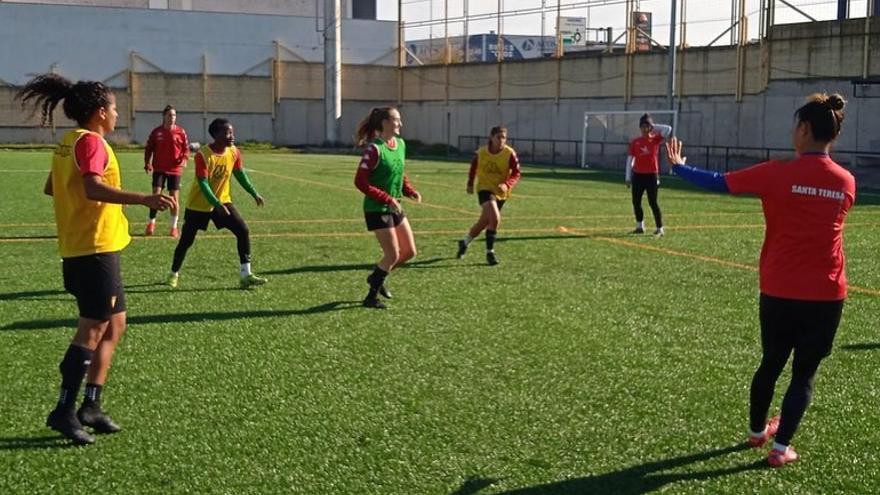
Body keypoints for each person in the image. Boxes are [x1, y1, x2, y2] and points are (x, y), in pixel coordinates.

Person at [665, 93, 855, 468]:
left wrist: (679, 167)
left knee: (771, 363)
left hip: (779, 289)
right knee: (804, 374)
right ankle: (781, 447)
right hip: (826, 293)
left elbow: (720, 182)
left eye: (794, 126)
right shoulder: (846, 182)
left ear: (803, 129)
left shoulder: (777, 172)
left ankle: (756, 432)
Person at [18, 74, 175, 445]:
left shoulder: (69, 143)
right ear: (101, 112)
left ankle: (91, 405)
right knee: (91, 329)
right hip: (93, 251)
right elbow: (90, 187)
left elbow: (51, 187)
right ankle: (63, 409)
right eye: (115, 107)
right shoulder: (91, 143)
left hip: (91, 247)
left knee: (114, 326)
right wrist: (144, 199)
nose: (118, 113)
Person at [167, 118, 267, 289]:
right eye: (227, 133)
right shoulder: (203, 155)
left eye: (232, 132)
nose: (232, 136)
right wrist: (216, 204)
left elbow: (240, 174)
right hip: (198, 205)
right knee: (186, 241)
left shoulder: (234, 152)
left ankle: (245, 274)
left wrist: (254, 193)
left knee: (242, 230)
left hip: (223, 201)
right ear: (216, 135)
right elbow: (203, 183)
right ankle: (174, 273)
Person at [353, 107, 422, 309]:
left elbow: (400, 172)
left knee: (409, 252)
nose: (400, 123)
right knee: (392, 255)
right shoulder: (374, 149)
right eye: (396, 119)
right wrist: (385, 198)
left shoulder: (400, 144)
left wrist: (409, 190)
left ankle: (376, 276)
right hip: (377, 208)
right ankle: (371, 297)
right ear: (384, 123)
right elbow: (360, 182)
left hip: (394, 205)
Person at [456, 126, 521, 265]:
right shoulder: (482, 153)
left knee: (483, 222)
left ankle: (464, 242)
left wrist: (507, 184)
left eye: (504, 137)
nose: (501, 140)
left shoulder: (509, 154)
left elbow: (516, 173)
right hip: (485, 188)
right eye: (498, 137)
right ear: (491, 137)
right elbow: (474, 167)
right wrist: (470, 183)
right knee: (495, 219)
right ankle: (490, 252)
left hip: (501, 192)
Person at [144, 104, 189, 238]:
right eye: (170, 115)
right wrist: (147, 162)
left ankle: (174, 227)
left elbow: (186, 148)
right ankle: (151, 223)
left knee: (174, 199)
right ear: (164, 117)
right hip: (159, 168)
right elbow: (149, 148)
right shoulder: (156, 132)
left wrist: (185, 158)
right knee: (156, 196)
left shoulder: (181, 132)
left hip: (175, 170)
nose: (172, 118)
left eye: (174, 115)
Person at [625, 114, 672, 236]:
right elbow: (630, 160)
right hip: (638, 176)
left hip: (651, 176)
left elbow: (668, 129)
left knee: (653, 202)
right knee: (636, 202)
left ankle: (659, 228)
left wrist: (652, 125)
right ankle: (640, 226)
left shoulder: (655, 139)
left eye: (647, 126)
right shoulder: (635, 142)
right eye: (642, 126)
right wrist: (628, 177)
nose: (645, 129)